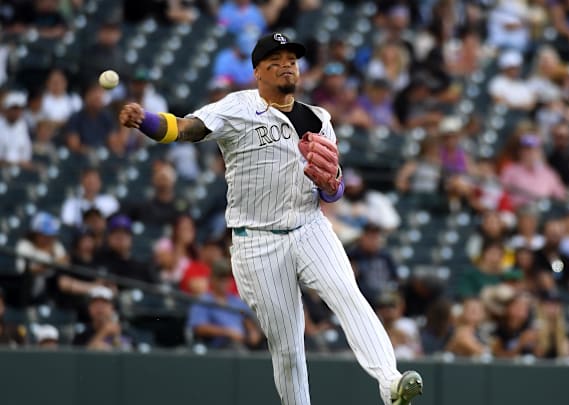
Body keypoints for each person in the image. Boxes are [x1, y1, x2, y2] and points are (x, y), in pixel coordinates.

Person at [118, 32, 423, 405]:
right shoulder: (238, 107)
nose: (286, 65)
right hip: (258, 240)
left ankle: (390, 383)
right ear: (258, 71)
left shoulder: (318, 118)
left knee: (348, 295)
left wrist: (334, 184)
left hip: (309, 226)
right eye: (275, 60)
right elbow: (185, 128)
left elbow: (332, 191)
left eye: (291, 60)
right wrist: (146, 120)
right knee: (289, 347)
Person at [187, 259, 262, 350]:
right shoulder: (203, 300)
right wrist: (227, 332)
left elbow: (246, 318)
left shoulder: (236, 301)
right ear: (212, 279)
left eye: (226, 278)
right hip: (218, 347)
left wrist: (252, 331)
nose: (224, 282)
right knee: (237, 348)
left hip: (244, 343)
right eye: (220, 279)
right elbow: (199, 328)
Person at [72, 286, 132, 350]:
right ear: (89, 308)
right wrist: (104, 332)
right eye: (95, 303)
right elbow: (79, 357)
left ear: (112, 308)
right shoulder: (82, 334)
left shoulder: (125, 331)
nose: (99, 307)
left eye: (104, 302)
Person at [0, 91, 32, 168]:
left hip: (19, 167)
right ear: (6, 109)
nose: (17, 112)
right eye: (13, 109)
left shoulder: (22, 125)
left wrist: (23, 162)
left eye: (19, 109)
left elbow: (27, 150)